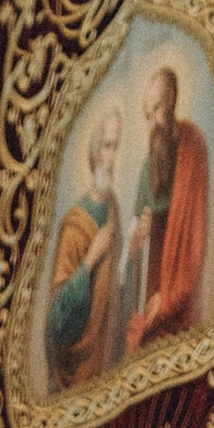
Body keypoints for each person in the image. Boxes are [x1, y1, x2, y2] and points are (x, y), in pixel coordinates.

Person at [123, 58, 209, 354]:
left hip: (176, 291)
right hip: (150, 287)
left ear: (172, 101)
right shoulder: (148, 168)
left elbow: (194, 236)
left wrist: (169, 295)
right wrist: (134, 242)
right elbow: (132, 243)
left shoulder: (191, 147)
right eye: (148, 114)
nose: (154, 122)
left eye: (159, 108)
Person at [47, 105, 128, 388]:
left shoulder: (113, 208)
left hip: (108, 356)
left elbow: (115, 283)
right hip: (80, 367)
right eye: (107, 146)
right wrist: (89, 261)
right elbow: (56, 325)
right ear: (94, 151)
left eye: (116, 147)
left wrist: (135, 247)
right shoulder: (74, 226)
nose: (112, 158)